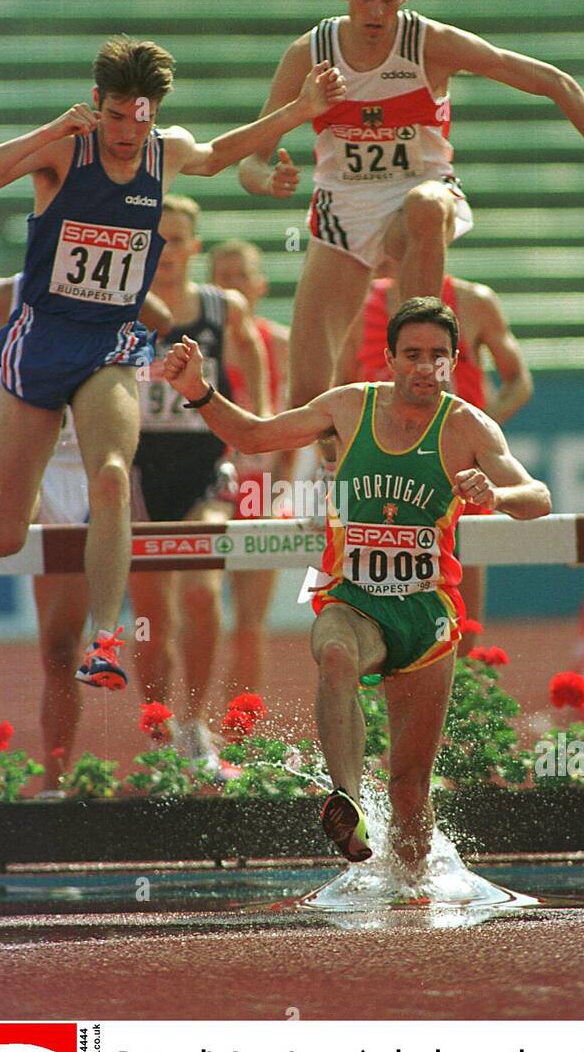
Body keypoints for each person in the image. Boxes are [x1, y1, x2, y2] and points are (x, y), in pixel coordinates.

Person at [0, 35, 345, 689]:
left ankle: (104, 642)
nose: (129, 132)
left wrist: (297, 112)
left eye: (143, 117)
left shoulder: (163, 153)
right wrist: (49, 128)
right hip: (39, 342)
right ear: (96, 103)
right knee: (3, 537)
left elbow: (218, 155)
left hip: (109, 343)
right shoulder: (63, 150)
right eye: (118, 116)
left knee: (109, 479)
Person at [159, 295, 551, 874]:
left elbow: (537, 496)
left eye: (438, 356)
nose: (425, 366)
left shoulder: (468, 426)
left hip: (426, 617)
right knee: (336, 654)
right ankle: (344, 798)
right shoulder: (349, 408)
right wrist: (198, 390)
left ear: (452, 361)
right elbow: (256, 437)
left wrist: (496, 495)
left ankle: (414, 896)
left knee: (411, 787)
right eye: (412, 354)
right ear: (388, 358)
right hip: (352, 597)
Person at [238, 0, 584, 410]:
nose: (377, 12)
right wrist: (267, 179)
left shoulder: (429, 43)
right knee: (309, 397)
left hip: (418, 195)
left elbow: (556, 82)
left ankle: (419, 356)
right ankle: (348, 473)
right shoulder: (309, 54)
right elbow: (251, 160)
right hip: (343, 213)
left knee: (426, 204)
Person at [0, 273, 171, 787]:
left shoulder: (112, 288)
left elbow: (165, 320)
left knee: (59, 650)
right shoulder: (11, 290)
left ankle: (55, 781)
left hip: (85, 471)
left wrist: (132, 313)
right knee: (8, 518)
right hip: (22, 455)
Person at [129, 198, 271, 769]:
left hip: (205, 469)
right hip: (141, 470)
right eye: (156, 240)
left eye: (178, 239)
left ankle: (193, 724)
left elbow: (253, 350)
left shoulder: (220, 306)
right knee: (151, 616)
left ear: (194, 247)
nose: (166, 250)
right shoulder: (126, 306)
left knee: (202, 590)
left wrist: (255, 419)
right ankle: (159, 736)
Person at [334, 260, 533, 644]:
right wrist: (343, 459)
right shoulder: (362, 304)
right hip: (383, 474)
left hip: (455, 469)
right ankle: (383, 691)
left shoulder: (474, 300)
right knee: (376, 608)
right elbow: (339, 386)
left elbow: (519, 380)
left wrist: (474, 430)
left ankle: (461, 688)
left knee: (462, 619)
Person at [209, 238, 292, 693]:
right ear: (209, 285)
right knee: (198, 614)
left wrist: (279, 489)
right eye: (224, 276)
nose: (234, 285)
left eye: (242, 275)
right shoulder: (195, 345)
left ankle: (241, 729)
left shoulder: (281, 344)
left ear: (259, 285)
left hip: (259, 489)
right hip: (205, 489)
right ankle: (192, 724)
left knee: (250, 621)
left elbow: (295, 424)